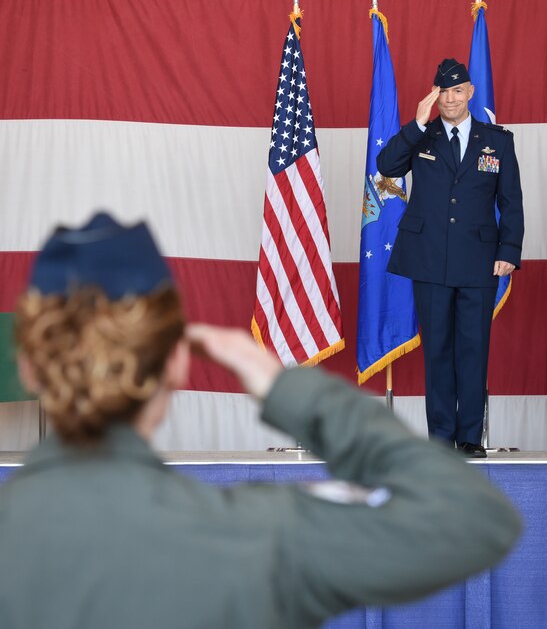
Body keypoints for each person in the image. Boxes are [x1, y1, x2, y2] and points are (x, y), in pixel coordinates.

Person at [0, 212, 521, 629]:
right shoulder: (259, 535)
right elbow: (474, 518)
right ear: (178, 361)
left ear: (27, 365)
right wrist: (283, 384)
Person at [377, 58, 524, 458]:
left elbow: (511, 202)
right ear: (434, 95)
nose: (450, 99)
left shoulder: (497, 141)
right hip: (429, 260)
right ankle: (441, 438)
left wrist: (509, 251)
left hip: (480, 260)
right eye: (443, 91)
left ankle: (470, 437)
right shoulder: (420, 136)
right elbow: (385, 166)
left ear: (470, 93)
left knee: (473, 349)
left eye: (457, 91)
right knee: (438, 348)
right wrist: (418, 123)